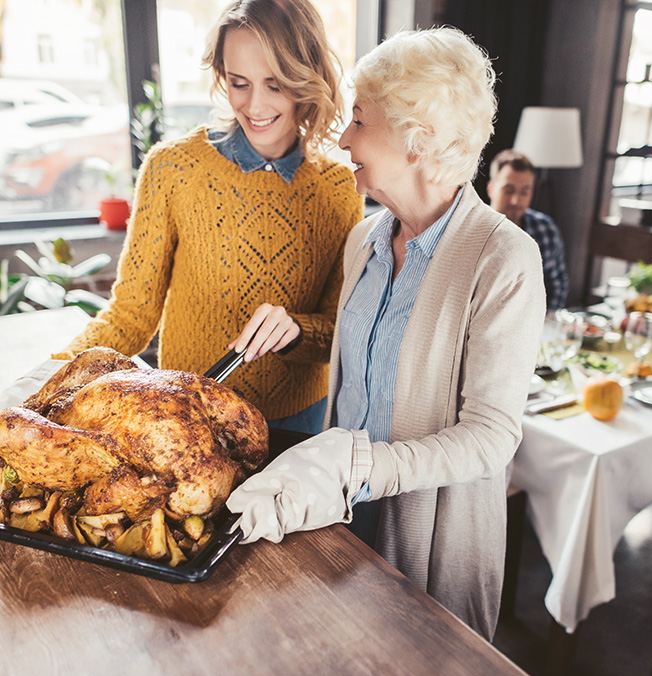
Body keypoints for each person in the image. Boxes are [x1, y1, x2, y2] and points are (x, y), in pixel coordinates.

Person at [226, 27, 546, 640]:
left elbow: (490, 438)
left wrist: (358, 468)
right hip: (338, 518)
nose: (344, 138)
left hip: (431, 534)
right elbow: (362, 374)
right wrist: (297, 337)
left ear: (416, 142)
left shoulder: (503, 258)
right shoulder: (365, 241)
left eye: (361, 121)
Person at [51, 0, 363, 434]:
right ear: (222, 77)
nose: (255, 105)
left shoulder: (340, 190)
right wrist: (49, 379)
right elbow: (130, 317)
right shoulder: (173, 169)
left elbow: (339, 330)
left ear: (305, 78)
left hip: (299, 423)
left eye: (275, 85)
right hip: (188, 417)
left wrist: (294, 329)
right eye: (239, 83)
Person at [486, 149, 569, 310]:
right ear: (491, 189)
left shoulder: (546, 229)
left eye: (525, 192)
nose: (516, 200)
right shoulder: (470, 230)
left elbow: (557, 284)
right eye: (508, 190)